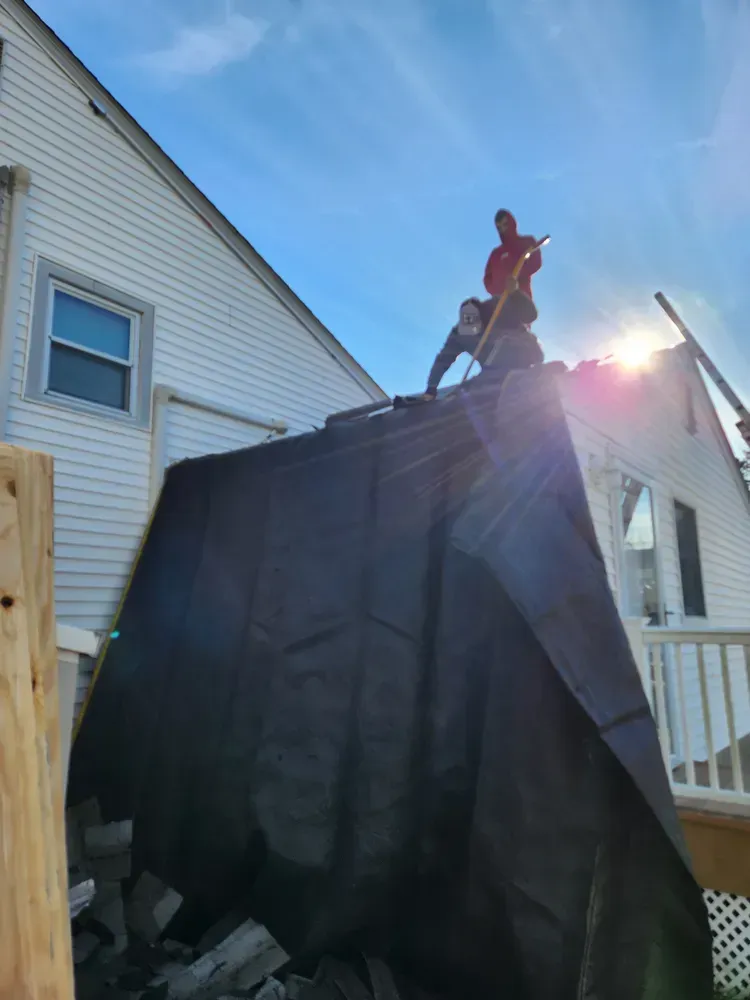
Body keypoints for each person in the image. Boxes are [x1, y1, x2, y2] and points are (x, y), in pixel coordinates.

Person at [424, 276, 543, 397]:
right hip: (494, 370)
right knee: (469, 388)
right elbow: (443, 359)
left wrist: (515, 294)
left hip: (524, 353)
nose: (472, 332)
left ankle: (528, 380)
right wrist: (431, 388)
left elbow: (531, 315)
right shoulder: (459, 334)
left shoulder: (498, 306)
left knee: (504, 345)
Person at [484, 209, 542, 301]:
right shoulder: (495, 254)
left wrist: (516, 276)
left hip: (522, 301)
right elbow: (487, 280)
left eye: (505, 224)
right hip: (501, 305)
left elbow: (536, 262)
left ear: (511, 222)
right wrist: (501, 288)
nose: (503, 229)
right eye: (499, 227)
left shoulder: (527, 242)